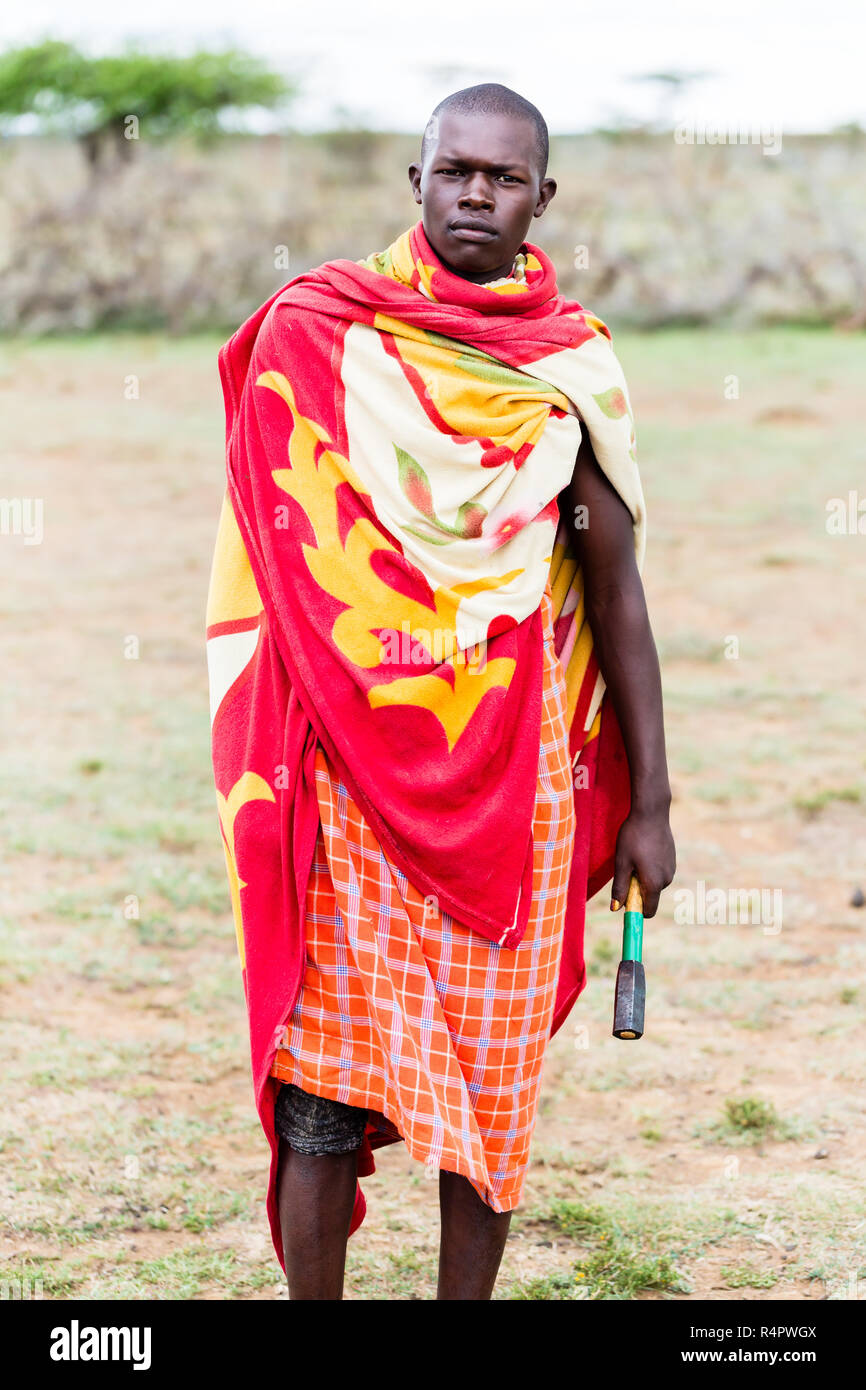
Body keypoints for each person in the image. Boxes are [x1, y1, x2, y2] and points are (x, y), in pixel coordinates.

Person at [206, 82, 676, 1300]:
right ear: (413, 181)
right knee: (323, 1090)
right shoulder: (320, 331)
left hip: (516, 786)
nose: (475, 192)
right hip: (346, 780)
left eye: (502, 176)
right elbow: (285, 561)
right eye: (453, 169)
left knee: (489, 1089)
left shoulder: (570, 365)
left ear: (540, 196)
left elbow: (613, 588)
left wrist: (653, 805)